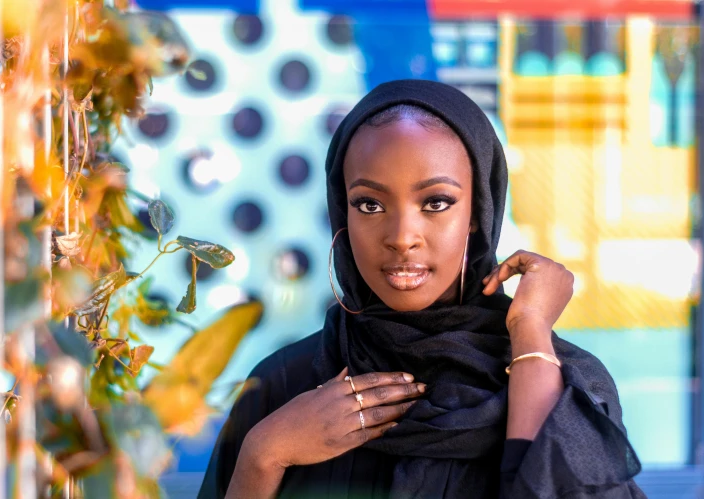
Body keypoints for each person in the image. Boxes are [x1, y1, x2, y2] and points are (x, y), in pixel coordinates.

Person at [198, 79, 644, 498]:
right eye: (369, 204)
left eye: (435, 203)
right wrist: (264, 454)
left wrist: (529, 331)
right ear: (342, 212)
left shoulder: (566, 379)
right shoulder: (283, 383)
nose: (401, 236)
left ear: (478, 211)